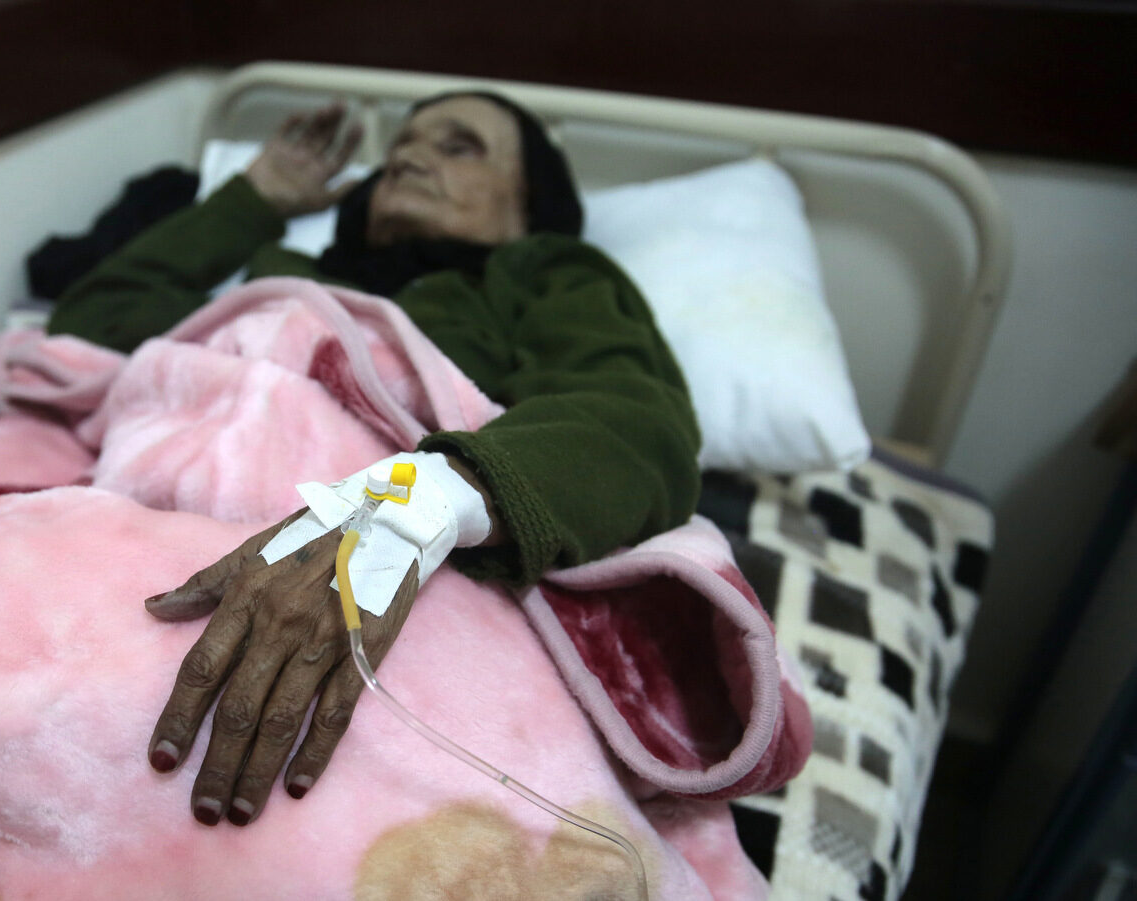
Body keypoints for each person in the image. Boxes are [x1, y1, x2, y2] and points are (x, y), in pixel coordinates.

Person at [46, 93, 701, 828]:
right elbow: (87, 326)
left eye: (460, 147)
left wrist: (406, 511)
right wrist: (256, 199)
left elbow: (638, 423)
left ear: (528, 204)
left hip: (375, 550)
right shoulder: (292, 276)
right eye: (403, 145)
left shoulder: (537, 274)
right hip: (141, 531)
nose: (412, 156)